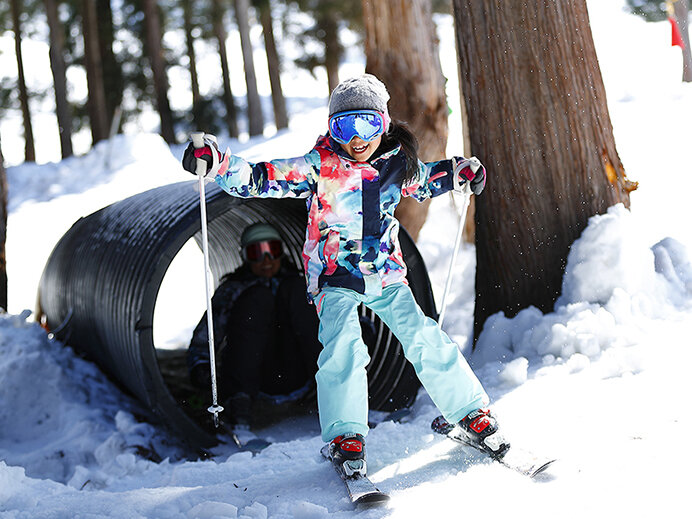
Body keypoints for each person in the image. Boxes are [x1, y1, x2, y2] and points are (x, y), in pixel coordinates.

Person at [182, 74, 508, 475]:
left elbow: (427, 181)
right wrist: (218, 162)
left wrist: (459, 172)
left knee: (423, 335)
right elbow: (259, 178)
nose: (357, 138)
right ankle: (346, 435)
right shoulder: (319, 168)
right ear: (331, 128)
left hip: (386, 276)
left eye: (367, 124)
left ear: (384, 123)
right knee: (344, 346)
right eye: (345, 125)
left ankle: (470, 412)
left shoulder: (396, 166)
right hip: (335, 278)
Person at [187, 222, 322, 428]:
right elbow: (209, 331)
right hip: (254, 378)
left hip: (299, 372)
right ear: (245, 257)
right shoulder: (233, 290)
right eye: (256, 253)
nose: (266, 260)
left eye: (272, 251)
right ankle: (240, 405)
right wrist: (201, 365)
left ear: (282, 252)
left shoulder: (298, 283)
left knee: (296, 290)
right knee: (258, 298)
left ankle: (327, 390)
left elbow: (332, 314)